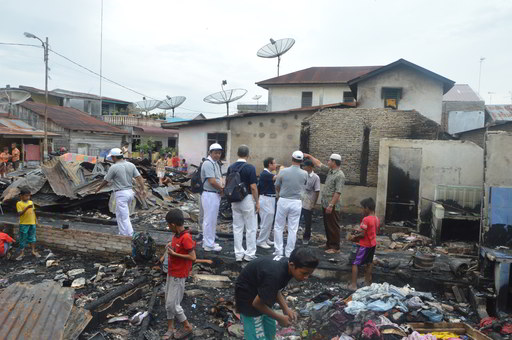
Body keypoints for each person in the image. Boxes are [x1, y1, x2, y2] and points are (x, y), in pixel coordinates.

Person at [235, 247, 319, 340]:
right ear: (292, 265)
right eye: (304, 273)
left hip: (261, 292)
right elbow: (257, 304)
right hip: (248, 297)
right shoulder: (275, 274)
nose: (306, 277)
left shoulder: (287, 268)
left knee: (270, 329)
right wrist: (280, 318)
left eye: (309, 274)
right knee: (256, 333)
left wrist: (286, 309)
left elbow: (275, 288)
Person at [95, 148, 147, 236]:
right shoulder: (131, 165)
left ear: (114, 157)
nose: (111, 159)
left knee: (124, 216)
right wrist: (143, 188)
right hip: (130, 192)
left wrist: (98, 188)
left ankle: (130, 235)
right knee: (119, 215)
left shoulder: (114, 167)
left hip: (121, 194)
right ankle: (122, 233)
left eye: (112, 157)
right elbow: (139, 178)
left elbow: (106, 180)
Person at [162, 209, 196, 340]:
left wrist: (175, 254)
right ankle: (170, 328)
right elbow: (178, 246)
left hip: (179, 274)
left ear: (173, 224)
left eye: (169, 225)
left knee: (172, 304)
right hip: (172, 272)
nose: (168, 227)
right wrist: (171, 245)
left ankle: (187, 326)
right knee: (168, 301)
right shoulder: (176, 235)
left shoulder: (186, 237)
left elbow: (193, 257)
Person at [304, 153, 345, 254]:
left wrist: (331, 205)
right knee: (327, 225)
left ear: (334, 162)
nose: (328, 162)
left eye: (330, 161)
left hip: (332, 205)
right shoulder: (331, 171)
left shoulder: (340, 175)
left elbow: (337, 192)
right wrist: (309, 156)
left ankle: (335, 247)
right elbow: (319, 164)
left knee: (333, 226)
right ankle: (329, 243)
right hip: (325, 203)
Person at [228, 145, 260, 262]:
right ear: (248, 155)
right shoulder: (250, 167)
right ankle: (249, 254)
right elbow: (253, 186)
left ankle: (238, 254)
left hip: (235, 200)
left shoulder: (231, 167)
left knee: (237, 227)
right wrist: (257, 202)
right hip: (247, 199)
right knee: (251, 228)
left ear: (237, 153)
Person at [273, 151, 308, 259]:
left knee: (278, 227)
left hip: (283, 200)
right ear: (302, 161)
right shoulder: (305, 173)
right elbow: (304, 186)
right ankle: (289, 252)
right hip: (296, 202)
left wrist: (281, 193)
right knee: (293, 228)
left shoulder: (283, 172)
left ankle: (278, 251)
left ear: (292, 158)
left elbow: (277, 185)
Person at [348, 198, 379, 290]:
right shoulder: (376, 218)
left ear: (367, 208)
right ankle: (367, 283)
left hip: (364, 245)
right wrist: (360, 230)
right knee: (369, 263)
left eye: (362, 208)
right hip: (372, 244)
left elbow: (362, 234)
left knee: (355, 263)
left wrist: (354, 237)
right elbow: (374, 231)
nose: (362, 210)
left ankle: (353, 285)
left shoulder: (365, 219)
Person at [201, 143, 224, 252]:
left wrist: (220, 188)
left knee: (212, 220)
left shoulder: (215, 163)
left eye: (219, 153)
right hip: (209, 194)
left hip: (214, 194)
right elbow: (212, 181)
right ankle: (207, 244)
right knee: (209, 220)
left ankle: (210, 241)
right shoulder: (208, 163)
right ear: (210, 152)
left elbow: (218, 178)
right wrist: (222, 189)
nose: (217, 155)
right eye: (215, 153)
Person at [256, 157, 277, 249]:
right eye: (274, 163)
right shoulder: (265, 174)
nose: (276, 165)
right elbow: (277, 177)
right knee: (266, 220)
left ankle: (265, 238)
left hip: (270, 198)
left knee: (269, 220)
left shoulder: (268, 174)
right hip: (266, 198)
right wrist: (285, 171)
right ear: (270, 164)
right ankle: (260, 241)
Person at [16, 187, 40, 260]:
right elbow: (20, 214)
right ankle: (22, 253)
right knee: (23, 238)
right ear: (21, 196)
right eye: (26, 196)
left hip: (32, 223)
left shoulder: (31, 202)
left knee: (32, 238)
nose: (28, 197)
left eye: (29, 196)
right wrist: (26, 208)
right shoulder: (19, 203)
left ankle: (33, 251)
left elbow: (33, 212)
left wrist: (36, 221)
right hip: (24, 223)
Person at [301, 159, 321, 245]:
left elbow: (317, 191)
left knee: (307, 221)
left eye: (304, 166)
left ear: (309, 167)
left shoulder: (315, 177)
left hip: (308, 202)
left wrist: (314, 203)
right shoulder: (302, 174)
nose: (303, 167)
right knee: (296, 219)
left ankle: (306, 237)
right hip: (299, 200)